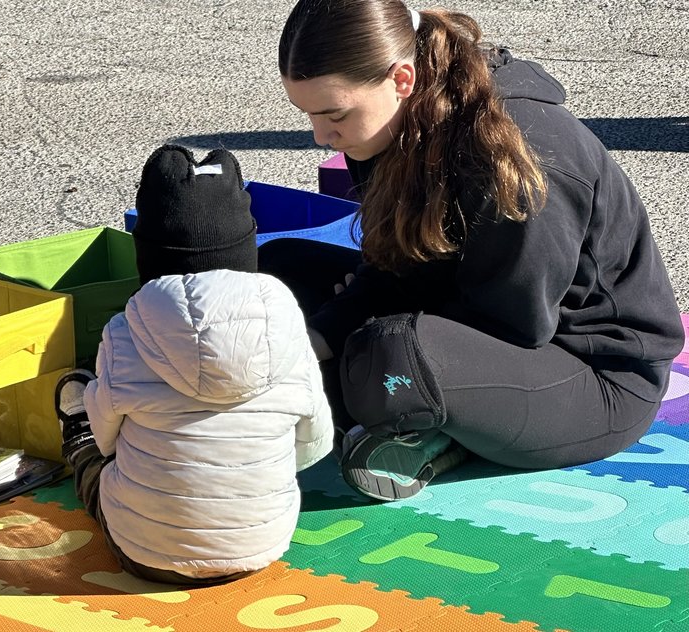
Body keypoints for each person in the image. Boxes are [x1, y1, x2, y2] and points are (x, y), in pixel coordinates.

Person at [258, 0, 685, 502]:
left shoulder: (521, 156)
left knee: (389, 355)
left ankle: (431, 430)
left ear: (401, 79)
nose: (319, 136)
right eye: (309, 115)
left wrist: (343, 338)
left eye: (334, 114)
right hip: (468, 318)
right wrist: (317, 336)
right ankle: (407, 413)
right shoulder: (384, 129)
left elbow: (514, 324)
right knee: (278, 274)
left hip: (589, 372)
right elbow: (395, 268)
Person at [54, 144, 334, 584]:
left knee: (93, 459)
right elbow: (315, 444)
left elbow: (108, 439)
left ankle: (74, 440)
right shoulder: (288, 326)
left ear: (146, 258)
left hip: (145, 552)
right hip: (262, 546)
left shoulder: (126, 330)